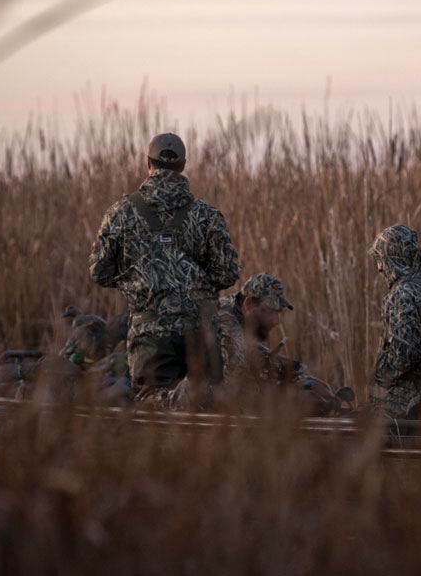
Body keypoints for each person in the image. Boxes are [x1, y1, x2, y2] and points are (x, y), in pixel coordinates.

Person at [89, 132, 240, 405]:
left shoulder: (121, 213)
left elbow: (99, 270)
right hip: (201, 332)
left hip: (150, 335)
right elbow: (228, 273)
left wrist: (137, 279)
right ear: (183, 165)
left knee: (153, 411)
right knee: (206, 415)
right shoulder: (208, 215)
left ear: (148, 162)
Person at [368, 225, 421, 418]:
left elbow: (405, 354)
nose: (379, 268)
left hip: (410, 401)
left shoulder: (401, 294)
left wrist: (379, 375)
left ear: (391, 260)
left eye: (381, 260)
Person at [217, 272, 293, 382]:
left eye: (278, 312)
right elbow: (239, 388)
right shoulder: (227, 328)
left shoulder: (236, 306)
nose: (276, 320)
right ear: (248, 304)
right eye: (270, 311)